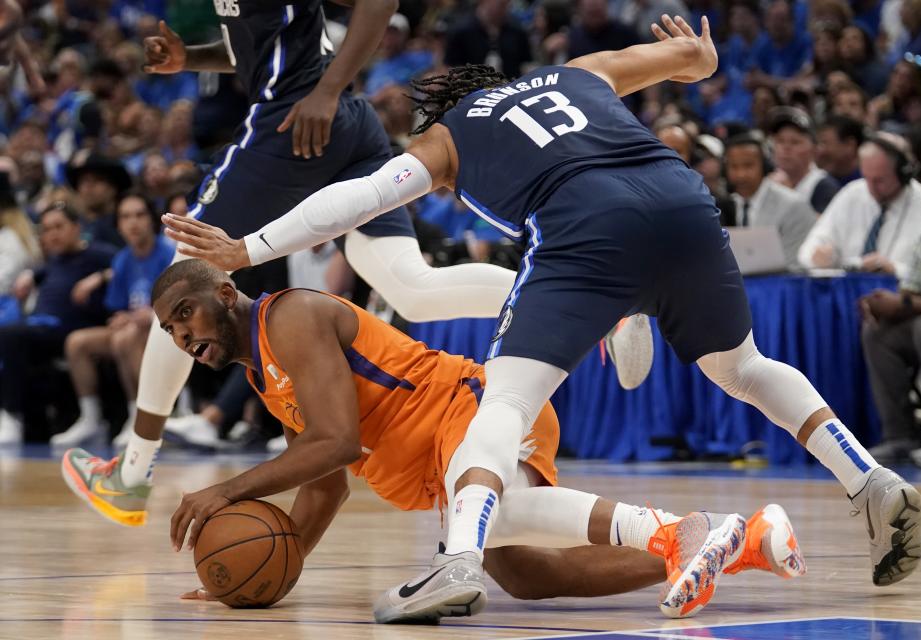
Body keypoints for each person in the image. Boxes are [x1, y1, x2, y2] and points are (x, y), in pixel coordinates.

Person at [161, 16, 921, 619]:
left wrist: (248, 244)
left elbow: (359, 196)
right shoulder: (575, 74)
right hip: (678, 194)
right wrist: (698, 59)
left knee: (506, 402)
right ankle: (870, 481)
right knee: (743, 368)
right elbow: (689, 64)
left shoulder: (449, 136)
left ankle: (455, 562)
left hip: (582, 226)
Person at [93, 259, 805, 621]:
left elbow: (338, 443)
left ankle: (684, 530)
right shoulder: (263, 373)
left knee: (501, 519)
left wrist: (228, 489)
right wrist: (268, 573)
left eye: (186, 313)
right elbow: (325, 482)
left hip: (465, 410)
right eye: (171, 330)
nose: (184, 335)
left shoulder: (292, 318)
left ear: (224, 291)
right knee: (522, 573)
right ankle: (736, 544)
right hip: (440, 455)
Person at [62, 0, 534, 526]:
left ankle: (130, 474)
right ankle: (570, 296)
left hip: (297, 118)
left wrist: (327, 90)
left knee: (184, 277)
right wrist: (192, 58)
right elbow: (271, 43)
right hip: (347, 125)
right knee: (412, 286)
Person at [52, 193, 174, 447]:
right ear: (118, 225)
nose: (133, 223)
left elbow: (182, 301)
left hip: (168, 331)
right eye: (126, 217)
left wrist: (150, 314)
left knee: (125, 338)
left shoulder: (168, 252)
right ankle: (91, 420)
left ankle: (146, 418)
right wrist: (122, 318)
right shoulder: (122, 259)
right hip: (133, 331)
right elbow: (118, 308)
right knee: (77, 342)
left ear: (152, 220)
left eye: (139, 215)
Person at [860, 164, 921, 467]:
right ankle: (901, 435)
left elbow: (918, 305)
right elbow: (911, 295)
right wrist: (883, 303)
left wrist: (908, 306)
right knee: (878, 333)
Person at [0, 203, 115, 445]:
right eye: (47, 229)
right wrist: (29, 276)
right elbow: (38, 273)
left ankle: (11, 415)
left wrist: (98, 277)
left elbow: (124, 263)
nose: (52, 234)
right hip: (39, 330)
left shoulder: (97, 254)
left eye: (58, 227)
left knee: (10, 334)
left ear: (76, 228)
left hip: (70, 329)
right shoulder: (51, 263)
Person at [799, 132, 921, 276]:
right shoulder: (853, 193)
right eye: (867, 178)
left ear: (904, 172)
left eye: (879, 180)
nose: (871, 188)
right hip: (847, 292)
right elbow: (808, 249)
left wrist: (895, 269)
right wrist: (817, 256)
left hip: (899, 293)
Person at [723, 133, 817, 268]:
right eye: (734, 167)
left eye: (748, 166)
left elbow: (794, 265)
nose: (741, 174)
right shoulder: (722, 207)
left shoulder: (794, 206)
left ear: (765, 166)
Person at [768, 107, 841, 214]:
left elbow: (823, 227)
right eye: (780, 141)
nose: (786, 148)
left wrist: (787, 195)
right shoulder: (768, 182)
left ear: (814, 149)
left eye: (795, 142)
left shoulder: (824, 187)